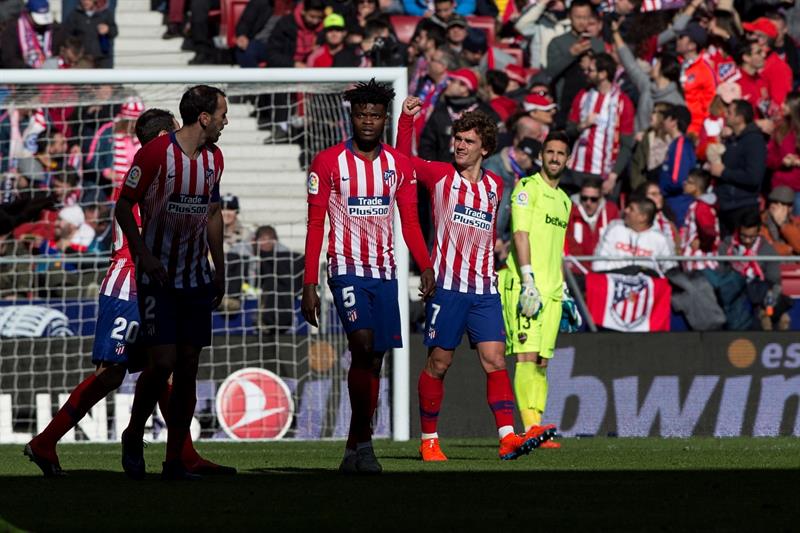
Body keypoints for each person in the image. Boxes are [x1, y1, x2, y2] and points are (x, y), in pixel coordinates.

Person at [23, 108, 233, 477]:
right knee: (112, 373)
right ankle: (46, 441)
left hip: (167, 284)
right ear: (164, 136)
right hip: (130, 283)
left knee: (165, 368)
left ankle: (177, 452)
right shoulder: (145, 175)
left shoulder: (183, 171)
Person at [398, 98, 551, 462]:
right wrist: (407, 122)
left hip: (484, 290)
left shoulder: (496, 185)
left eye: (468, 141)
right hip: (447, 288)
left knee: (496, 360)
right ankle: (429, 440)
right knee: (439, 364)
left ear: (485, 147)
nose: (460, 146)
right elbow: (403, 163)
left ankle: (507, 437)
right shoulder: (440, 175)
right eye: (458, 139)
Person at [300, 79, 435, 475]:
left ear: (384, 118)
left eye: (375, 115)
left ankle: (357, 445)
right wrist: (310, 283)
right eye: (361, 114)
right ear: (352, 117)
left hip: (386, 273)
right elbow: (314, 224)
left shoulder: (399, 166)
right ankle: (364, 445)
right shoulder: (326, 163)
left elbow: (410, 221)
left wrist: (425, 265)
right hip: (345, 270)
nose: (368, 122)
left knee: (374, 360)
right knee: (361, 345)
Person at [115, 85, 228, 481]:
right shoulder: (155, 154)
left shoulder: (215, 159)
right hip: (159, 276)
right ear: (204, 118)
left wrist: (220, 266)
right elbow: (123, 205)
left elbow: (212, 213)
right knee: (162, 361)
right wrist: (142, 254)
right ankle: (133, 433)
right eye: (222, 115)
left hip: (196, 276)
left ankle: (174, 459)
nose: (226, 122)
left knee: (189, 366)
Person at [498, 130, 573, 448]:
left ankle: (537, 426)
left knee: (542, 360)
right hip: (526, 287)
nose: (555, 157)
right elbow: (521, 235)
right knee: (526, 356)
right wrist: (528, 279)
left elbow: (556, 249)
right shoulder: (528, 189)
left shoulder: (565, 201)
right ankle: (530, 428)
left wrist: (563, 288)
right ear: (541, 155)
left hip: (552, 291)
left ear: (567, 160)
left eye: (561, 153)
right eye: (550, 152)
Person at [566, 52, 635, 197]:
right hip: (579, 168)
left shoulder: (623, 103)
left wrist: (613, 175)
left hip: (605, 172)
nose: (586, 73)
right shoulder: (583, 96)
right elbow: (569, 130)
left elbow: (626, 144)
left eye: (590, 70)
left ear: (603, 74)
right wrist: (583, 124)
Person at [709, 99, 767, 237]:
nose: (725, 115)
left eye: (729, 112)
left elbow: (753, 177)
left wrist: (724, 172)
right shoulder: (732, 139)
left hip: (742, 207)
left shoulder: (754, 141)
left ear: (740, 118)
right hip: (726, 205)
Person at [544, 0, 605, 127]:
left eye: (586, 17)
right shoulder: (558, 42)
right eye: (578, 17)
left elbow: (605, 73)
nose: (582, 21)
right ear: (570, 17)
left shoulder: (598, 44)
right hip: (565, 105)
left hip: (590, 104)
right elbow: (550, 73)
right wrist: (571, 54)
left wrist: (591, 63)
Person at [592, 197, 678, 273]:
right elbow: (598, 262)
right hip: (613, 282)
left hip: (645, 286)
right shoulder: (614, 227)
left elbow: (671, 270)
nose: (626, 210)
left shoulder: (661, 239)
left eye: (631, 209)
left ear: (642, 217)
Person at [566, 177, 620, 270]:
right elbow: (568, 241)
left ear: (600, 198)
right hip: (577, 270)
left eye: (593, 199)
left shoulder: (611, 211)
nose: (588, 203)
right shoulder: (570, 212)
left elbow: (616, 242)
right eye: (584, 198)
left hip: (604, 270)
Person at [675, 22, 716, 137]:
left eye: (682, 37)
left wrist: (700, 134)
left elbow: (710, 105)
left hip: (693, 131)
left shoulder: (705, 70)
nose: (677, 40)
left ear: (692, 45)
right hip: (673, 127)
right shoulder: (674, 64)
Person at [658, 104, 696, 226]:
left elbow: (677, 180)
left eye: (666, 118)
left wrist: (660, 190)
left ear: (674, 121)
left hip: (677, 205)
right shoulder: (677, 144)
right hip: (674, 202)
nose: (663, 122)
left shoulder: (680, 145)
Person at [766, 91, 800, 215]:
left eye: (786, 103)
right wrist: (782, 162)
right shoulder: (780, 129)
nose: (782, 105)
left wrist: (797, 161)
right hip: (780, 188)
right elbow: (769, 158)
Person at [680, 169, 720, 271]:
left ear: (696, 187)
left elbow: (709, 232)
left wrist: (702, 243)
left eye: (689, 182)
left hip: (700, 262)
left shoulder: (702, 207)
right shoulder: (699, 205)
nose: (685, 183)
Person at [61, 0, 117, 68]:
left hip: (102, 58)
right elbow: (67, 34)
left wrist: (108, 29)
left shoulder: (105, 13)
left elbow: (114, 31)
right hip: (83, 58)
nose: (85, 2)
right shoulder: (75, 15)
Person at [760, 186, 800, 256]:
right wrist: (789, 249)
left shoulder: (796, 223)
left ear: (790, 208)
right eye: (775, 202)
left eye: (783, 204)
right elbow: (765, 248)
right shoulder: (760, 222)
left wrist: (783, 225)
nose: (778, 207)